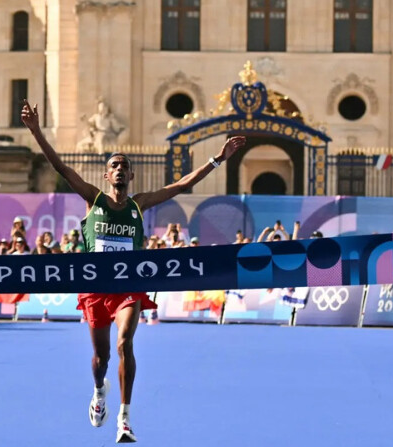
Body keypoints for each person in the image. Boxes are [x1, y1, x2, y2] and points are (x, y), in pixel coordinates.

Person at [21, 99, 245, 443]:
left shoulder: (139, 205)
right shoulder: (93, 199)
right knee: (102, 357)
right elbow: (62, 168)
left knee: (125, 344)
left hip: (129, 286)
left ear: (132, 176)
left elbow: (182, 185)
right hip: (96, 288)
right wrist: (36, 131)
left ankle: (124, 419)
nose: (121, 169)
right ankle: (99, 392)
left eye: (125, 165)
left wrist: (218, 158)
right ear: (107, 175)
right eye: (115, 165)